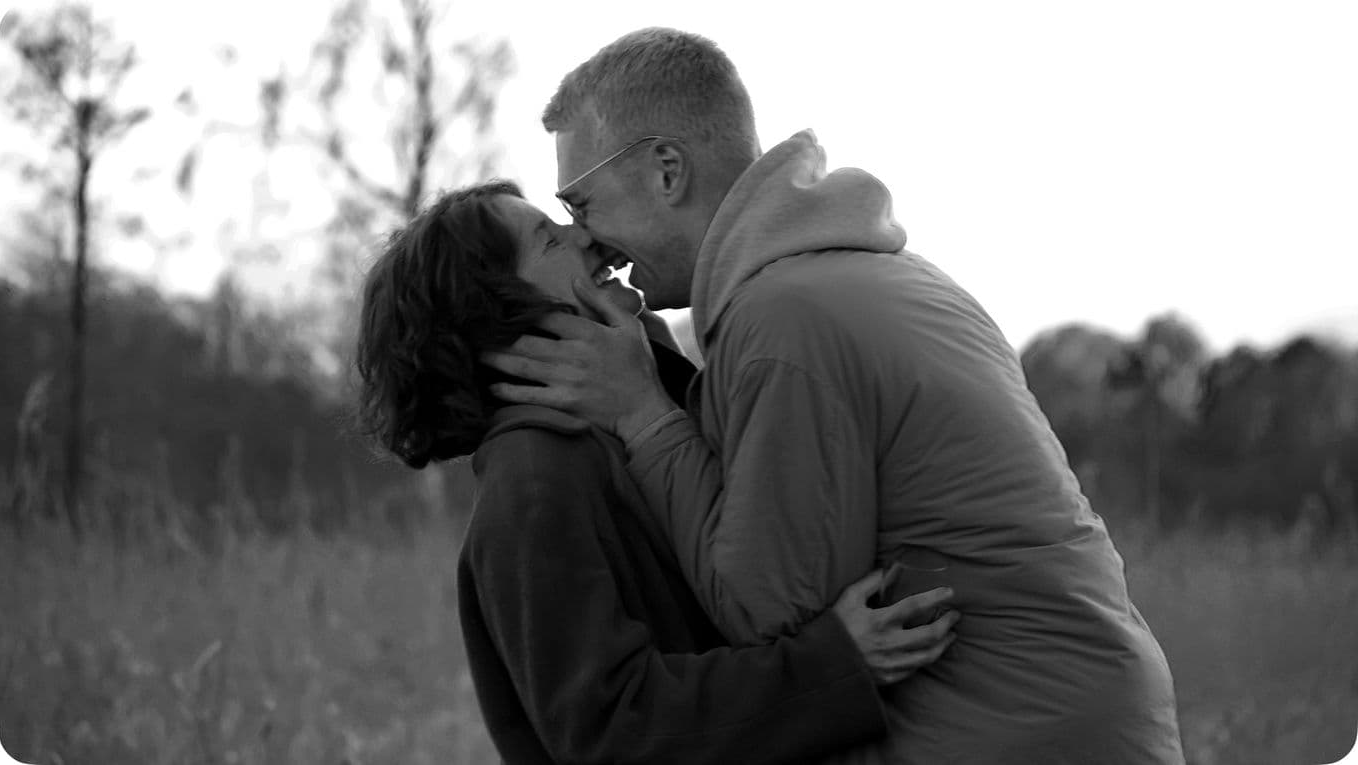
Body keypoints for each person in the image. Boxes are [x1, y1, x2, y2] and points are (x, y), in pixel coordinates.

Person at [483, 28, 1187, 764]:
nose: (586, 238)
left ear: (666, 170)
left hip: (1014, 731)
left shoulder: (784, 318)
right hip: (1067, 716)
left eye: (580, 201)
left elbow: (769, 613)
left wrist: (642, 414)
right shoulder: (870, 275)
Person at [353, 180, 961, 764]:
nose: (585, 237)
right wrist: (834, 664)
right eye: (548, 239)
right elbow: (611, 723)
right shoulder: (535, 478)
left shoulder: (622, 424)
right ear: (497, 316)